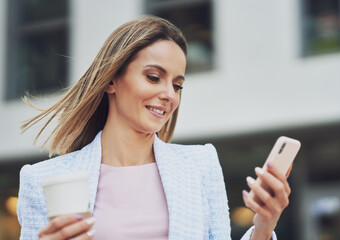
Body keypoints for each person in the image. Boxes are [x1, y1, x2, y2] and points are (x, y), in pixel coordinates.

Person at [17, 15, 291, 240]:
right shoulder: (43, 180)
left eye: (177, 85)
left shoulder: (199, 165)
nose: (170, 95)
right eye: (153, 77)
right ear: (111, 80)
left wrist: (265, 226)